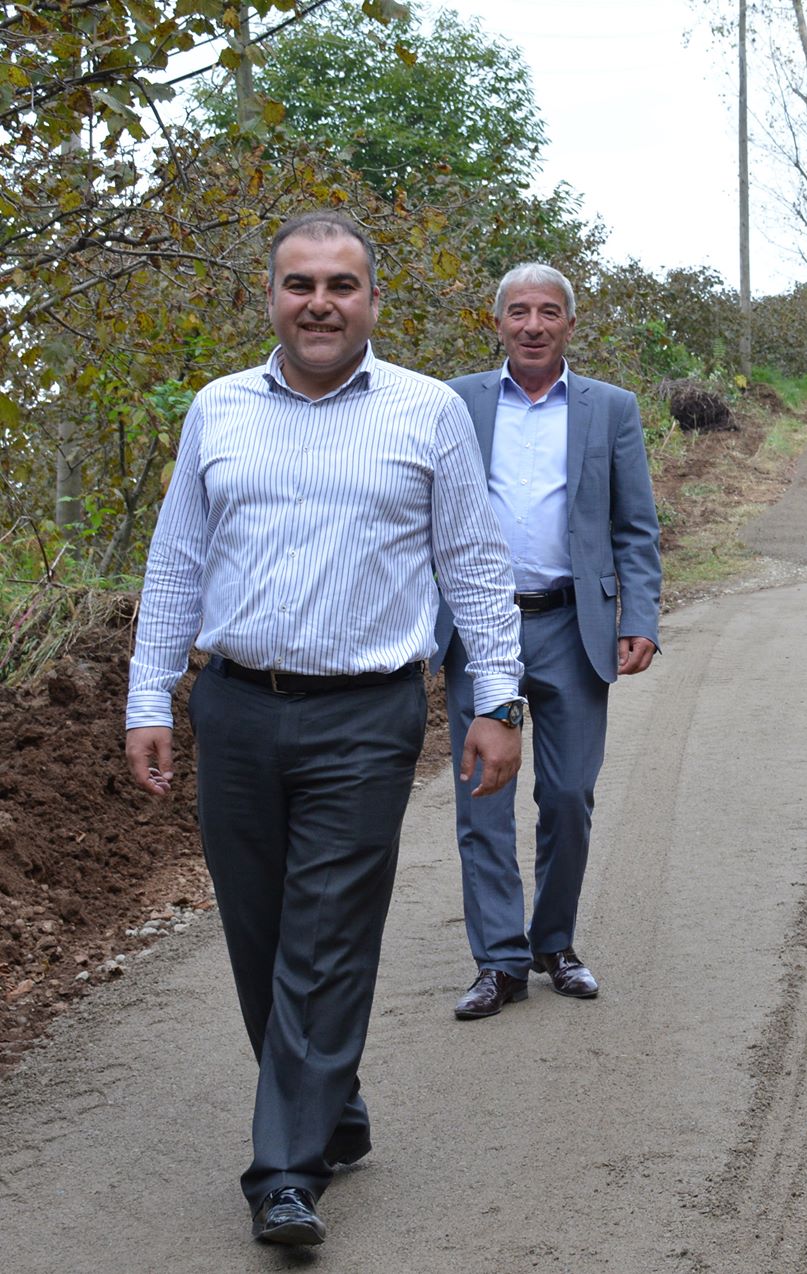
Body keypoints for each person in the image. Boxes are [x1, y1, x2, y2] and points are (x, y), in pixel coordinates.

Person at [123, 210, 527, 1247]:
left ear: (373, 302)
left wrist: (497, 700)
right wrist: (147, 695)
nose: (319, 301)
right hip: (237, 708)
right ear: (270, 297)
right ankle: (332, 1112)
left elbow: (475, 569)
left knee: (325, 941)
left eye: (341, 284)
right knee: (261, 939)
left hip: (366, 716)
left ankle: (284, 1171)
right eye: (299, 283)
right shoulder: (217, 410)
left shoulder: (428, 412)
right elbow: (174, 563)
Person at [435, 262, 661, 1020]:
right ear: (496, 322)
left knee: (568, 794)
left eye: (549, 312)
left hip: (572, 621)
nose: (533, 325)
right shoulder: (454, 403)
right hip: (478, 623)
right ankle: (497, 960)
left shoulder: (611, 409)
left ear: (570, 323)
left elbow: (634, 526)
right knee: (482, 801)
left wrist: (640, 616)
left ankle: (552, 943)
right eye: (519, 312)